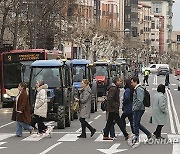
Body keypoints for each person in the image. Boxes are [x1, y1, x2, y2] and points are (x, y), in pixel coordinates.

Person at [130, 77, 152, 147]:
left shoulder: (138, 89)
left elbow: (140, 100)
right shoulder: (137, 89)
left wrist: (135, 108)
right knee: (137, 123)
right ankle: (148, 134)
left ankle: (136, 136)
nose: (131, 84)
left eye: (132, 82)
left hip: (139, 109)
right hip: (139, 108)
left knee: (135, 123)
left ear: (135, 82)